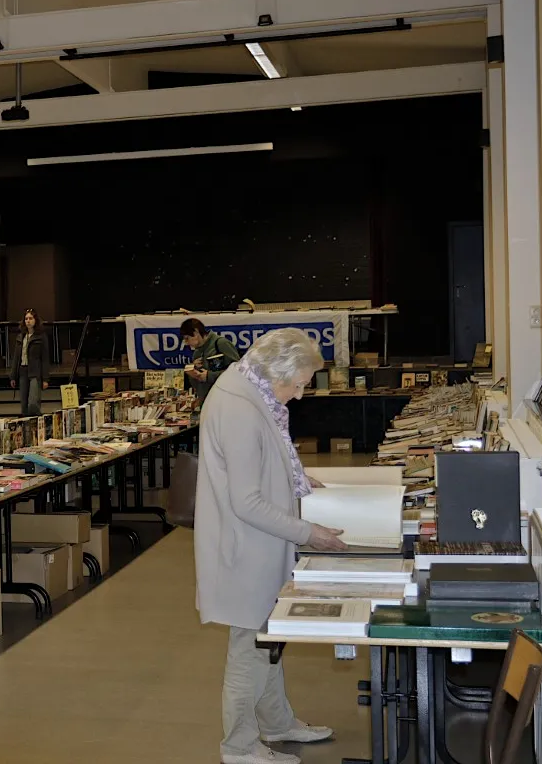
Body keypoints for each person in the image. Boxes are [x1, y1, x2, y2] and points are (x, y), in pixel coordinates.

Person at [193, 328, 347, 764]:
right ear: (274, 372)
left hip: (260, 546)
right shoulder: (239, 408)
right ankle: (239, 747)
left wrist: (295, 478)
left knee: (269, 640)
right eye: (297, 384)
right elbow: (246, 501)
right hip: (246, 550)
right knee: (251, 647)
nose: (299, 395)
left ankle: (277, 723)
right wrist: (309, 534)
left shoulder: (253, 391)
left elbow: (265, 459)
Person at [180, 318, 240, 404]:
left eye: (187, 338)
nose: (186, 342)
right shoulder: (197, 353)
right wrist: (194, 371)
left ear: (196, 333)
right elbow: (196, 385)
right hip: (206, 403)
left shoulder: (221, 344)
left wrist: (209, 376)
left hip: (225, 401)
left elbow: (237, 372)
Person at [9, 308, 50, 416]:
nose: (28, 321)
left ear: (35, 320)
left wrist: (45, 378)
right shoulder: (21, 337)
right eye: (26, 319)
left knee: (33, 402)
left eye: (30, 318)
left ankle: (37, 423)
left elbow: (45, 358)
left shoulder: (41, 337)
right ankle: (26, 427)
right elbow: (16, 358)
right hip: (22, 371)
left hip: (35, 372)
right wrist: (13, 376)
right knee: (24, 404)